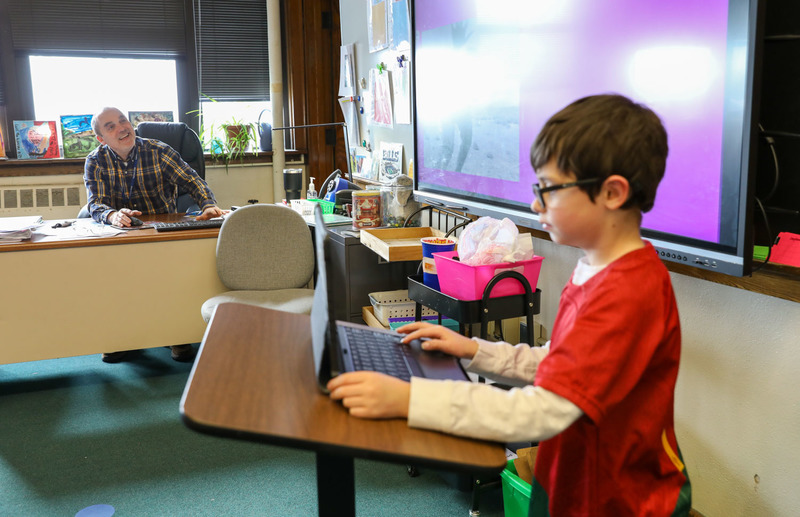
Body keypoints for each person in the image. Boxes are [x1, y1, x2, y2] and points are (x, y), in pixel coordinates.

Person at [327, 94, 692, 516]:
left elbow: (542, 410)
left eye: (549, 190)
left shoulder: (628, 292)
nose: (536, 205)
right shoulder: (594, 266)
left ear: (612, 192)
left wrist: (411, 400)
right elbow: (562, 364)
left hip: (622, 500)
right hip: (574, 478)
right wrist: (475, 351)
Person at [84, 107, 224, 363]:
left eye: (123, 120)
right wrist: (113, 215)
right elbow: (96, 203)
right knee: (112, 279)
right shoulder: (96, 160)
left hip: (162, 232)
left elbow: (192, 181)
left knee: (168, 278)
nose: (121, 128)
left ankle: (175, 334)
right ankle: (120, 336)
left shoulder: (158, 150)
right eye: (110, 126)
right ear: (101, 139)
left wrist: (207, 204)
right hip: (122, 235)